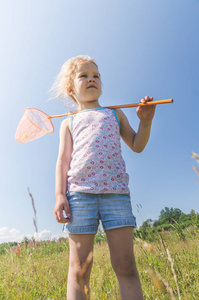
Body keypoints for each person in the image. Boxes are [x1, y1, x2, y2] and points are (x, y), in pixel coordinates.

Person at [53, 55, 156, 300]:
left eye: (96, 75)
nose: (92, 79)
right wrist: (59, 194)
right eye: (84, 76)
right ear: (71, 89)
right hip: (79, 196)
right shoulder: (68, 122)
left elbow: (136, 144)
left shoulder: (114, 114)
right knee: (79, 270)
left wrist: (146, 122)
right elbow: (63, 161)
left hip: (116, 196)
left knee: (125, 265)